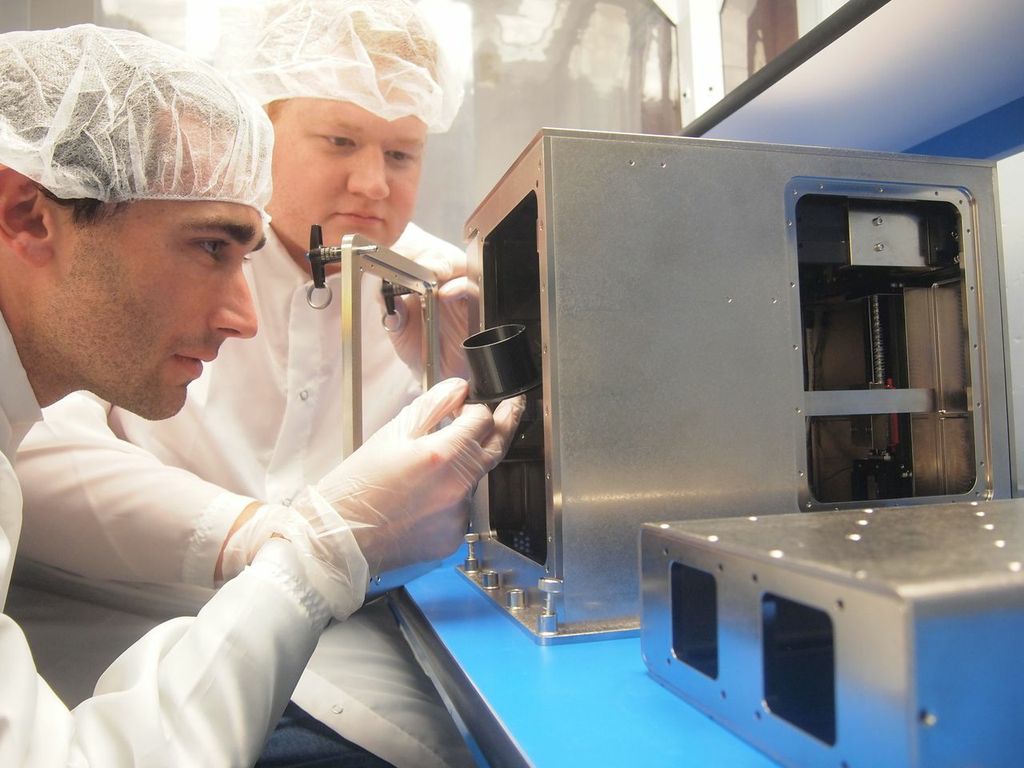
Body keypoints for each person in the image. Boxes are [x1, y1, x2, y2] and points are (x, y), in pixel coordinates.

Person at [9, 3, 518, 767]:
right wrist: (271, 537)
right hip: (126, 650)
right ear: (256, 127)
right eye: (339, 139)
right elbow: (37, 446)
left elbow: (463, 528)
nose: (373, 182)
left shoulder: (448, 288)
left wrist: (457, 382)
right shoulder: (108, 270)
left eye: (403, 154)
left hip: (351, 669)